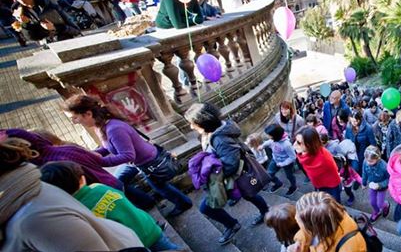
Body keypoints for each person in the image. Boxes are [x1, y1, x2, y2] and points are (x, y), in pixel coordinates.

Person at [0, 136, 142, 252]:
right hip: (136, 234)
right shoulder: (31, 190)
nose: (74, 121)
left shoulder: (35, 216)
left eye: (75, 117)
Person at [62, 95, 192, 215]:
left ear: (88, 114)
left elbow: (128, 156)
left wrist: (100, 161)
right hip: (136, 162)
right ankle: (147, 202)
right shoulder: (100, 125)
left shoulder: (114, 129)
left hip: (147, 161)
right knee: (117, 181)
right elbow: (109, 146)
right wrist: (93, 154)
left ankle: (183, 203)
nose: (74, 122)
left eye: (74, 118)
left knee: (161, 187)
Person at [39, 161, 178, 252]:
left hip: (134, 245)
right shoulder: (98, 187)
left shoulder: (76, 210)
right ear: (82, 178)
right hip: (149, 227)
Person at [184, 102, 270, 243]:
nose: (191, 127)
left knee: (206, 207)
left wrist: (211, 174)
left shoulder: (220, 139)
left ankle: (233, 224)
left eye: (193, 123)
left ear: (203, 122)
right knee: (249, 194)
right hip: (233, 176)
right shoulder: (215, 130)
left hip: (233, 176)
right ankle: (264, 211)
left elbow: (231, 164)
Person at [4, 128, 123, 192]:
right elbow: (99, 160)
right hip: (111, 182)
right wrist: (107, 147)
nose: (75, 121)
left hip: (102, 193)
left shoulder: (52, 167)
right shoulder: (69, 148)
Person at [7, 0, 80, 42]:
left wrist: (54, 27)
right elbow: (31, 38)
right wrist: (26, 24)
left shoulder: (50, 7)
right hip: (47, 45)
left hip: (64, 40)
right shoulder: (20, 13)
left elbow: (75, 30)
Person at [294, 127, 342, 203]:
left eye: (299, 143)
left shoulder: (324, 158)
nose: (295, 145)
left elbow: (334, 169)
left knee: (334, 205)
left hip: (331, 186)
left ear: (309, 145)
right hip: (318, 185)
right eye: (295, 141)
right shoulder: (301, 153)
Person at [262, 124, 298, 196]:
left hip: (286, 163)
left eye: (269, 135)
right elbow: (270, 141)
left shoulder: (287, 144)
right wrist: (263, 145)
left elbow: (293, 157)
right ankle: (278, 183)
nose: (268, 136)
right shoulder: (273, 139)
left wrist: (283, 164)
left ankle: (293, 186)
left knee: (289, 176)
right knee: (269, 174)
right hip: (275, 160)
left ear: (275, 135)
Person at [362, 146, 390, 222]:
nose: (368, 163)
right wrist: (363, 183)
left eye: (371, 161)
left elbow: (390, 179)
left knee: (380, 204)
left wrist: (379, 185)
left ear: (378, 158)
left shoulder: (384, 166)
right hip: (371, 184)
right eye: (367, 160)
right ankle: (376, 212)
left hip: (381, 187)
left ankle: (386, 205)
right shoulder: (365, 162)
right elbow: (364, 172)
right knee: (372, 202)